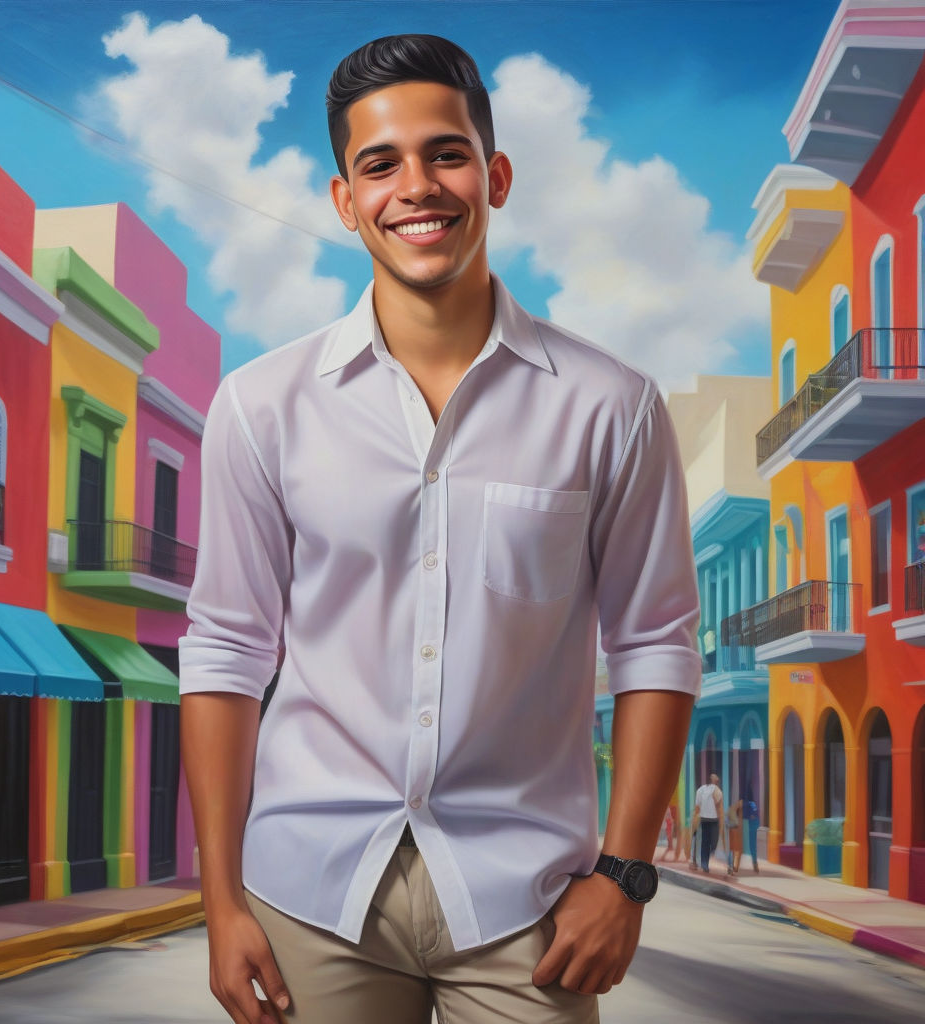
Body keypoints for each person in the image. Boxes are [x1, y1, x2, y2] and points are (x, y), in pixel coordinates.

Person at [180, 33, 701, 1024]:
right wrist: (219, 900)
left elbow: (654, 643)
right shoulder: (260, 407)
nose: (416, 186)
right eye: (379, 163)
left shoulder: (610, 407)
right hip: (310, 895)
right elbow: (227, 648)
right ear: (345, 199)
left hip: (527, 906)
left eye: (445, 153)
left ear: (494, 175)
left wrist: (625, 877)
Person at [693, 772, 725, 874]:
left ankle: (704, 862)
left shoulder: (702, 790)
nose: (717, 778)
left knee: (707, 842)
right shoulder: (715, 790)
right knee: (709, 842)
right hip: (710, 819)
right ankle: (704, 863)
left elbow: (697, 808)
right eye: (715, 777)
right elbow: (719, 808)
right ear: (714, 780)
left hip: (708, 819)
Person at [725, 797, 743, 877]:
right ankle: (732, 867)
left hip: (731, 830)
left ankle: (731, 867)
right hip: (734, 830)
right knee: (735, 850)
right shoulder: (735, 810)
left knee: (732, 850)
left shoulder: (731, 809)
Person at [743, 791, 760, 874]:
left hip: (750, 825)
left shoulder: (748, 804)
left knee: (751, 845)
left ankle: (755, 863)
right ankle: (755, 863)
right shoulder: (753, 804)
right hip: (752, 825)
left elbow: (752, 816)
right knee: (753, 846)